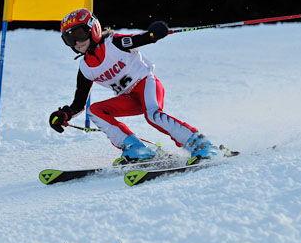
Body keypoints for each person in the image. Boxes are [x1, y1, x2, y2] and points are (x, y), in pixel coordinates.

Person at [49, 8, 217, 164]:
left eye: (79, 34)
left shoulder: (113, 43)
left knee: (153, 115)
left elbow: (141, 39)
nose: (77, 42)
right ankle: (136, 149)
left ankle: (201, 144)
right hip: (129, 98)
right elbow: (79, 103)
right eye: (70, 39)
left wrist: (153, 34)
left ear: (93, 29)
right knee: (94, 111)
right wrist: (65, 114)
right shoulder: (85, 68)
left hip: (146, 84)